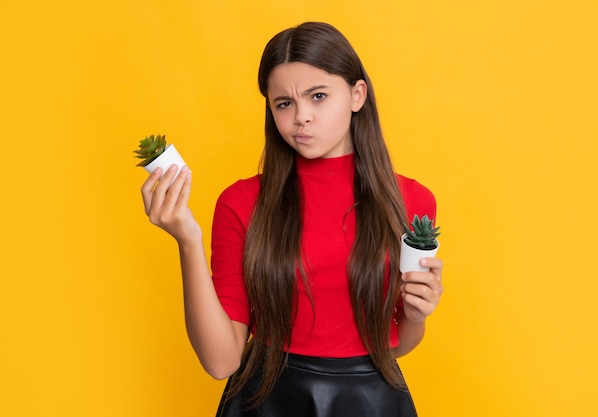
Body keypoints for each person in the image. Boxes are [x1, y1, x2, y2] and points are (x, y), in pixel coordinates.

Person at [140, 21, 443, 417]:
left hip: (370, 402)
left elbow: (394, 344)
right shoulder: (242, 202)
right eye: (284, 103)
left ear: (357, 94)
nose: (301, 117)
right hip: (268, 401)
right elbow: (221, 362)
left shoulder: (411, 202)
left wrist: (416, 316)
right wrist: (187, 240)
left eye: (318, 96)